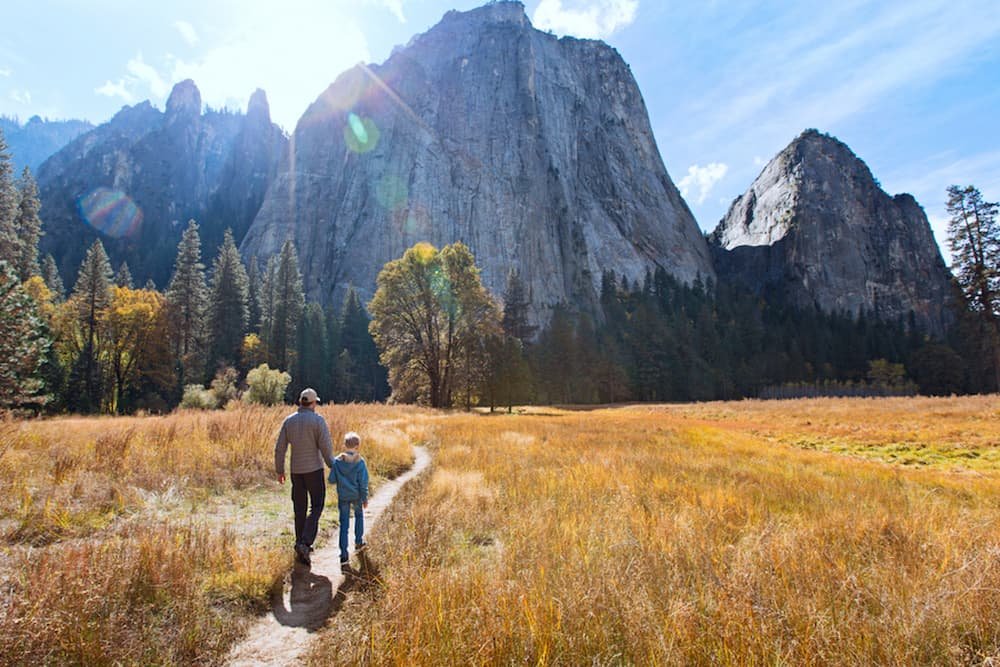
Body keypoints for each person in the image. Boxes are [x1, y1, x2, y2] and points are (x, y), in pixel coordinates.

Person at [274, 388, 335, 567]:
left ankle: (300, 545)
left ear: (301, 402)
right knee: (317, 505)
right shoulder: (318, 421)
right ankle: (305, 543)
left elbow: (279, 448)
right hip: (314, 470)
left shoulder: (289, 421)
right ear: (313, 403)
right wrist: (334, 467)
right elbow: (326, 448)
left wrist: (280, 470)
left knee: (299, 509)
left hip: (296, 472)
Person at [329, 431, 370, 566]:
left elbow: (331, 480)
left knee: (344, 524)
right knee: (359, 516)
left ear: (344, 445)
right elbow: (363, 483)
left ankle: (344, 555)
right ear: (357, 446)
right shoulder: (360, 462)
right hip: (357, 496)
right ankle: (358, 541)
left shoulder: (337, 461)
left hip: (343, 496)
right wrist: (364, 498)